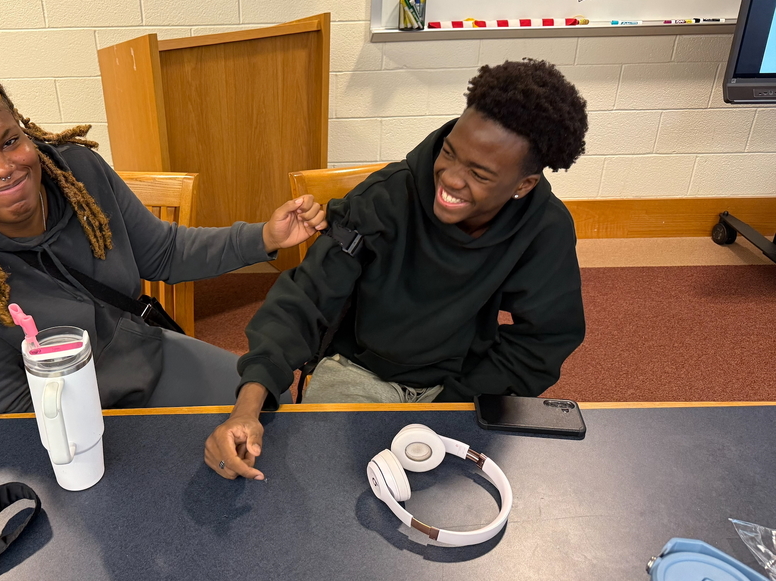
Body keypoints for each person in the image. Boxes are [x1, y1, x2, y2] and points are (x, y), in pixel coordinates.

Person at [0, 0, 325, 416]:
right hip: (37, 415)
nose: (3, 168)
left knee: (269, 401)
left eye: (10, 141)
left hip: (136, 356)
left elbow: (164, 251)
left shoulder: (79, 172)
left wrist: (264, 236)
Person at [205, 58, 589, 480]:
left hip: (463, 384)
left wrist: (457, 403)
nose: (451, 179)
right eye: (449, 152)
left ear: (523, 185)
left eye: (478, 173)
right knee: (323, 485)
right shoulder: (383, 199)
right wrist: (247, 406)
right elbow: (304, 299)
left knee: (450, 491)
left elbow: (546, 338)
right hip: (360, 371)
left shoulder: (544, 230)